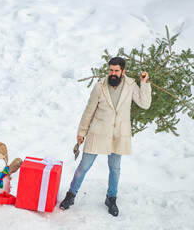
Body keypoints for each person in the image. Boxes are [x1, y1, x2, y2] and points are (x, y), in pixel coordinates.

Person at [60, 57, 151, 216]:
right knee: (83, 166)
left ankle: (111, 198)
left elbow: (145, 104)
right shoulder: (99, 87)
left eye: (116, 71)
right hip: (98, 131)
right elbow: (89, 110)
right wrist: (81, 133)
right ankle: (71, 194)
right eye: (111, 70)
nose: (113, 73)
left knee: (115, 168)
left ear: (123, 71)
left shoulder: (131, 86)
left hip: (118, 134)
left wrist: (144, 83)